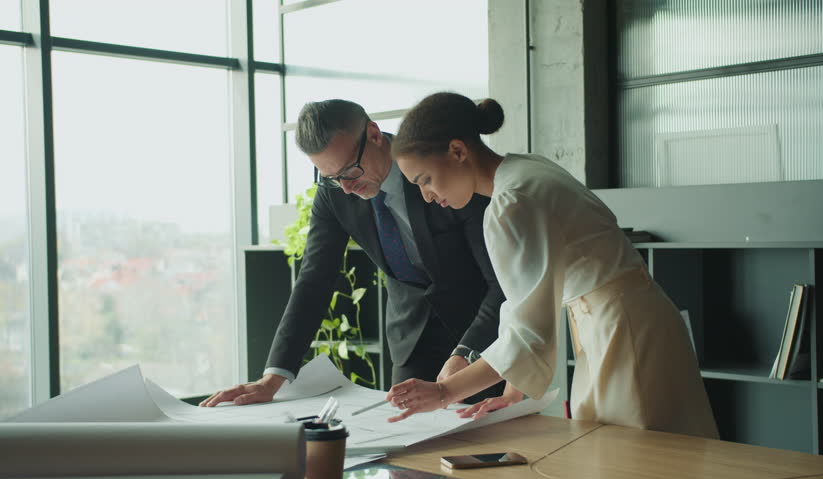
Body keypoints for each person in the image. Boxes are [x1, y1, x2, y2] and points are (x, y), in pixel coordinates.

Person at [382, 92, 719, 439]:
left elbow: (529, 331)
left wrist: (444, 393)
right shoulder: (526, 168)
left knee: (635, 458)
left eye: (425, 180)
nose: (427, 196)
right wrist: (512, 392)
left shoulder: (511, 202)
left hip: (620, 331)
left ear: (457, 151)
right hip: (630, 320)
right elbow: (524, 305)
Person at [200, 99, 505, 407]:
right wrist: (273, 377)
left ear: (373, 134)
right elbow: (314, 280)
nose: (346, 188)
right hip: (411, 339)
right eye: (331, 177)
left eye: (350, 171)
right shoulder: (334, 194)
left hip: (483, 331)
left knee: (492, 442)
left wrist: (467, 351)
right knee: (408, 443)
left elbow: (500, 281)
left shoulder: (438, 169)